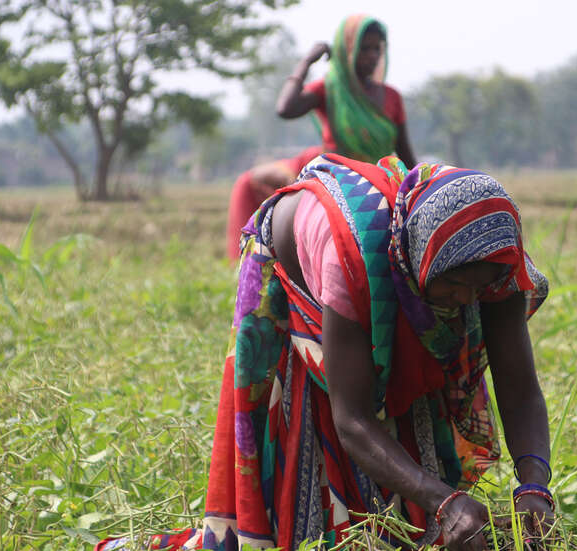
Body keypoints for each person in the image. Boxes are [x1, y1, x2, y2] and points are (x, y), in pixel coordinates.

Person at [97, 154, 552, 550]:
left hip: (388, 270)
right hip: (288, 265)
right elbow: (351, 419)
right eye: (454, 285)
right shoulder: (353, 260)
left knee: (413, 444)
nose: (466, 301)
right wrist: (444, 503)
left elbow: (520, 389)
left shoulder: (495, 268)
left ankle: (413, 520)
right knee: (313, 441)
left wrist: (534, 486)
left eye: (479, 289)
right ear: (421, 260)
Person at [226, 15, 417, 260]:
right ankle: (256, 260)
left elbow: (406, 153)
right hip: (335, 174)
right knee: (248, 182)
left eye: (376, 49)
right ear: (346, 51)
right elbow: (286, 109)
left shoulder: (392, 97)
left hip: (378, 177)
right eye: (364, 48)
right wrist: (306, 62)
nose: (372, 55)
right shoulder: (330, 88)